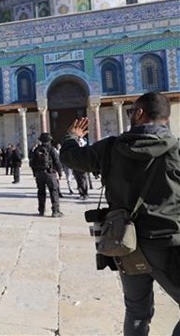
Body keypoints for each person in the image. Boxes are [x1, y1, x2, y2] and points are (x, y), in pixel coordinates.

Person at [60, 91, 180, 336]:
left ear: (138, 113)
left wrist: (72, 137)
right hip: (167, 242)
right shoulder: (176, 150)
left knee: (137, 312)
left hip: (125, 242)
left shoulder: (111, 148)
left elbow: (70, 157)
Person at [29, 132, 63, 217]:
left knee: (41, 192)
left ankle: (41, 210)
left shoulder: (37, 149)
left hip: (39, 173)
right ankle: (55, 211)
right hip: (50, 173)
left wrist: (35, 172)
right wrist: (60, 172)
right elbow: (57, 161)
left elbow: (31, 162)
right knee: (54, 191)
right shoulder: (51, 149)